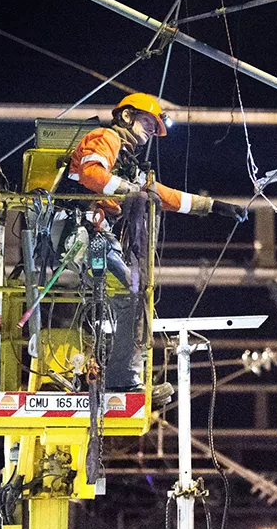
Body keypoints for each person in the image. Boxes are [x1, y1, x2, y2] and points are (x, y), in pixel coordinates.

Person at [65, 93, 248, 392]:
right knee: (131, 295)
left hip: (96, 236)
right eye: (149, 122)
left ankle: (117, 372)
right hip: (82, 233)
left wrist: (214, 206)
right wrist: (131, 191)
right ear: (127, 116)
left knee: (133, 296)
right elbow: (91, 174)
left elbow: (163, 195)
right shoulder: (104, 138)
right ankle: (121, 377)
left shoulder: (126, 160)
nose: (153, 130)